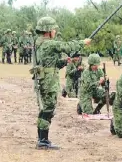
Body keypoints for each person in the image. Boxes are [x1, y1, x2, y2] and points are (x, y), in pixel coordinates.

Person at [30, 16, 91, 150]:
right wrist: (83, 42)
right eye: (53, 29)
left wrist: (65, 61)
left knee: (45, 109)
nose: (55, 32)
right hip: (48, 80)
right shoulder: (47, 43)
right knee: (48, 109)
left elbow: (54, 63)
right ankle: (43, 140)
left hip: (46, 78)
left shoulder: (39, 42)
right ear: (48, 30)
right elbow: (66, 46)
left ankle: (42, 139)